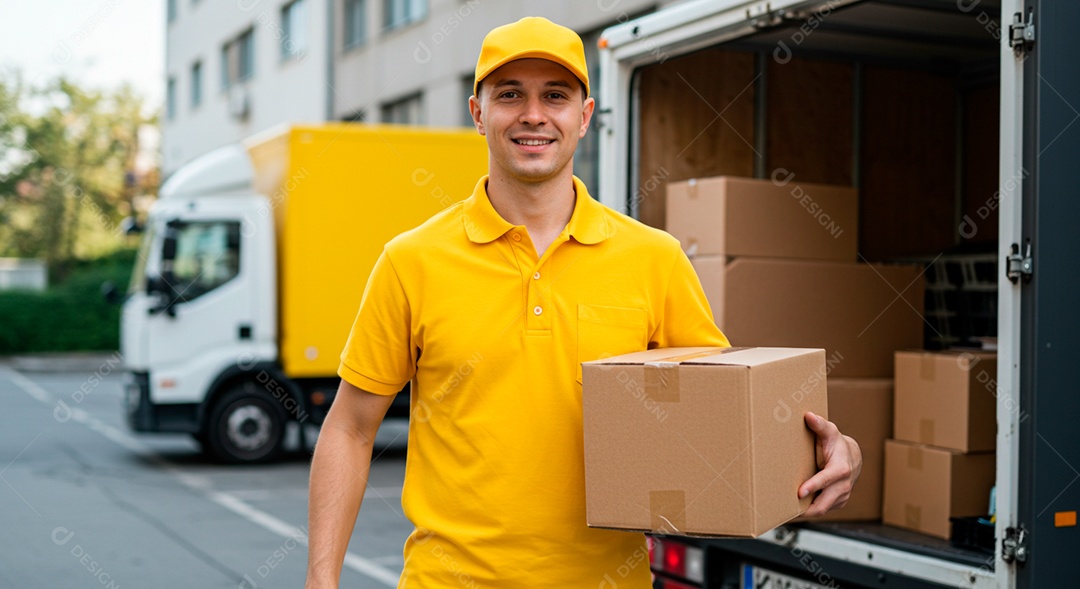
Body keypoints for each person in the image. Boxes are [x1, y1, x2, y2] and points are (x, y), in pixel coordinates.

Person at [305, 16, 862, 588]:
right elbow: (350, 428)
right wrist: (320, 581)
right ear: (477, 113)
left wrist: (836, 450)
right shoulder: (411, 260)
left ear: (585, 116)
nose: (533, 115)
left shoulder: (654, 258)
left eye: (555, 95)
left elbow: (727, 417)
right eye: (509, 95)